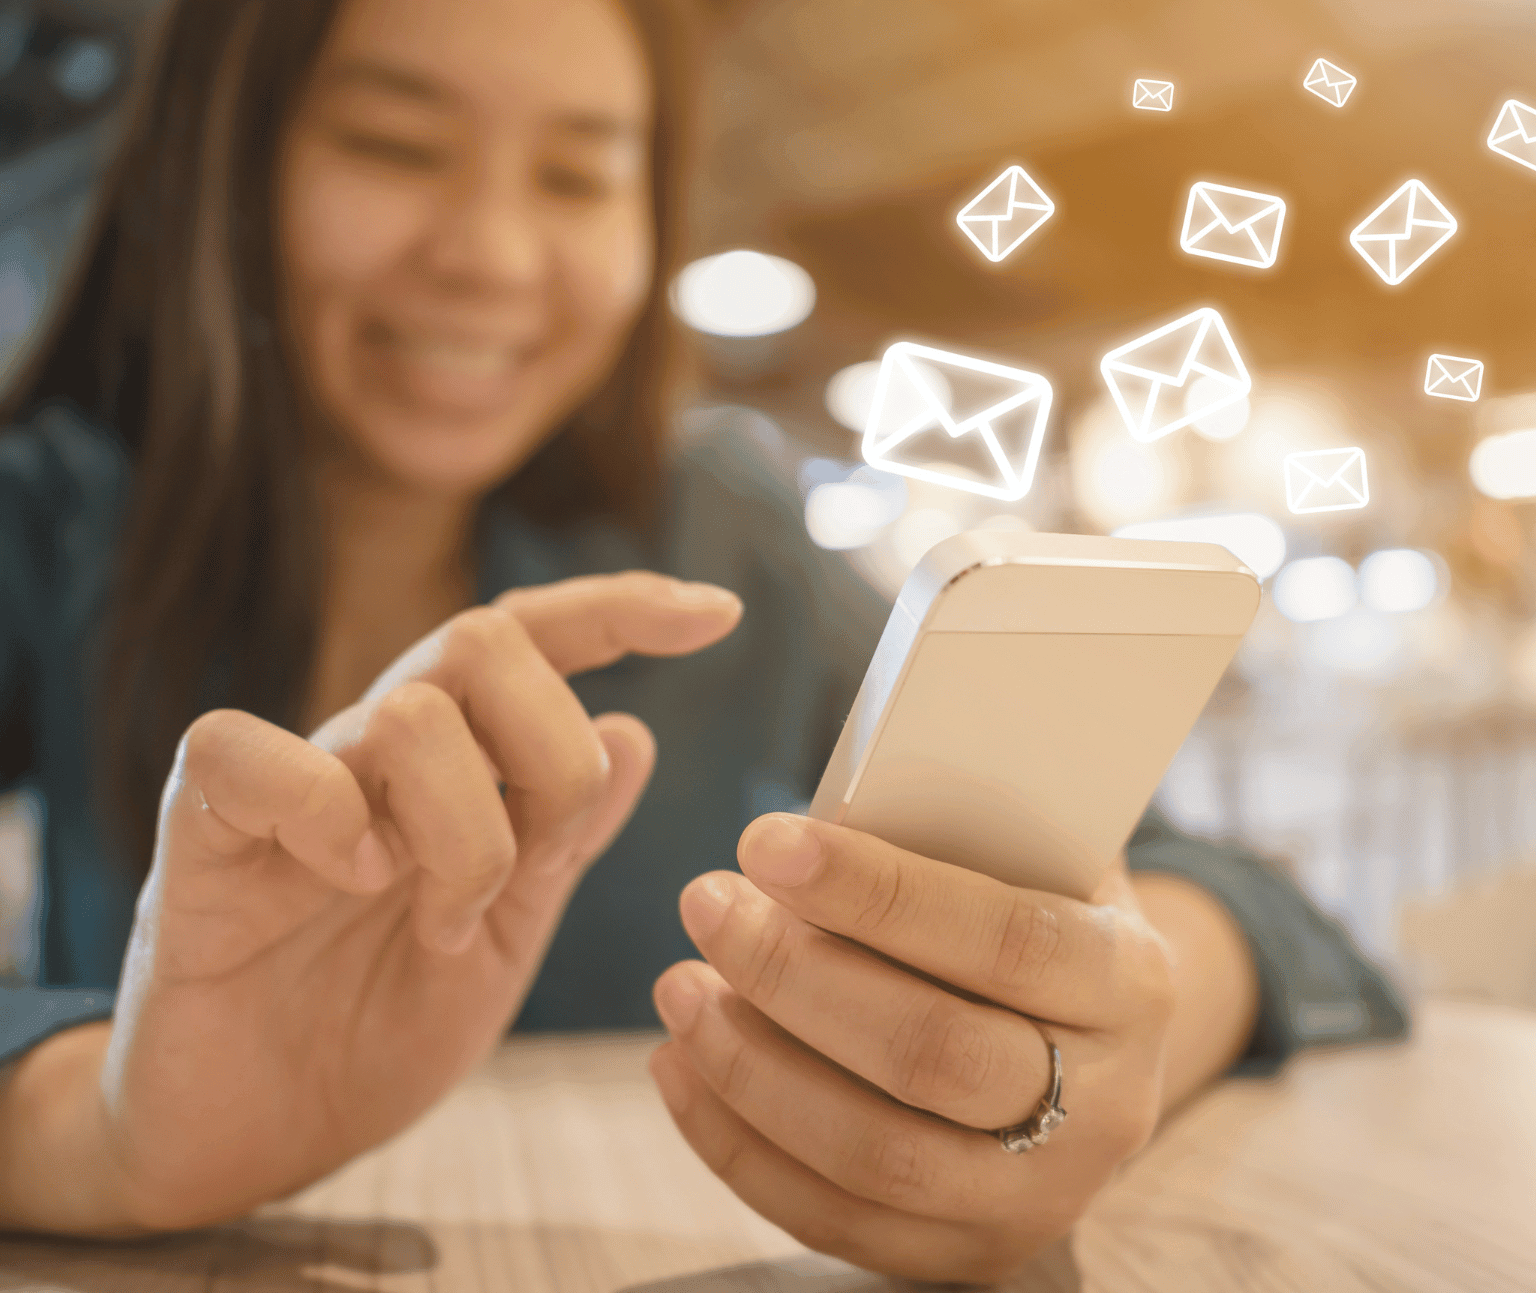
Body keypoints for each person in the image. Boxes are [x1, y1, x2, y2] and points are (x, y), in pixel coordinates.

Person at [0, 0, 1407, 1280]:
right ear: (230, 165)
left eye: (578, 173)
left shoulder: (720, 525)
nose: (492, 254)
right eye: (392, 143)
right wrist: (94, 1126)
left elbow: (1255, 908)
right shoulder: (47, 516)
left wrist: (1112, 1033)